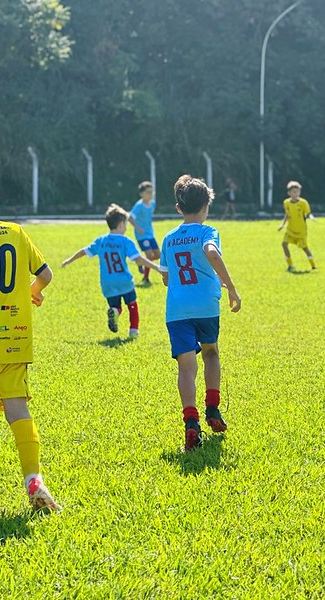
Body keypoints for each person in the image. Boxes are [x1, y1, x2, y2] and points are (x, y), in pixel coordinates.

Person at [0, 168, 58, 511]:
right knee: (18, 408)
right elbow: (45, 275)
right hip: (12, 338)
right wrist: (33, 292)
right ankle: (34, 479)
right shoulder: (16, 233)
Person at [159, 175, 242, 451]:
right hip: (206, 305)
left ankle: (191, 422)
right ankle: (213, 410)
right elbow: (212, 253)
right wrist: (230, 286)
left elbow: (166, 279)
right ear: (206, 205)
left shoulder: (169, 239)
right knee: (211, 353)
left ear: (179, 208)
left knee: (185, 367)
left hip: (177, 310)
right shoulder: (208, 232)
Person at [62, 204, 160, 337]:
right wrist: (156, 268)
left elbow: (84, 251)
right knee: (132, 305)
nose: (126, 227)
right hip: (124, 280)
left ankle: (114, 310)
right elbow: (138, 259)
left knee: (116, 306)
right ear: (120, 225)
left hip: (107, 283)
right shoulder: (125, 241)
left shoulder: (101, 241)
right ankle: (133, 330)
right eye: (125, 224)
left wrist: (69, 260)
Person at [277, 181, 316, 272]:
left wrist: (311, 217)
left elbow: (308, 213)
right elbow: (287, 214)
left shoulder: (303, 203)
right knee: (284, 244)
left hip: (301, 230)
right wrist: (282, 225)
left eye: (298, 191)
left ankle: (313, 265)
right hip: (290, 229)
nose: (296, 194)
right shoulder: (286, 203)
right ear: (289, 193)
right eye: (294, 192)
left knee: (305, 248)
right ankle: (290, 265)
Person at [128, 181, 159, 284]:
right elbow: (130, 218)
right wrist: (138, 228)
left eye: (151, 192)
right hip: (141, 235)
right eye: (147, 192)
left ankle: (140, 261)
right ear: (141, 194)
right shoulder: (139, 205)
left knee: (157, 255)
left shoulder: (152, 204)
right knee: (150, 255)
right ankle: (145, 278)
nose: (150, 194)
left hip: (150, 233)